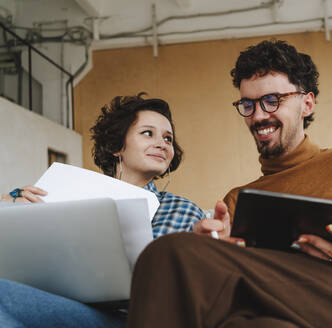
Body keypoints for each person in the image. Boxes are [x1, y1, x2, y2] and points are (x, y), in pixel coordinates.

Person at [126, 40, 332, 328]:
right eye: (248, 104)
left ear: (307, 103)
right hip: (285, 309)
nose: (257, 116)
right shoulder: (238, 199)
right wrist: (211, 252)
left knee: (169, 250)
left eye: (272, 100)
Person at [0, 93, 204, 328]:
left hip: (136, 318)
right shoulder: (63, 192)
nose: (162, 143)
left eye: (168, 139)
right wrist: (9, 209)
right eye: (148, 133)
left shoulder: (184, 210)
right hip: (66, 306)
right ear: (116, 146)